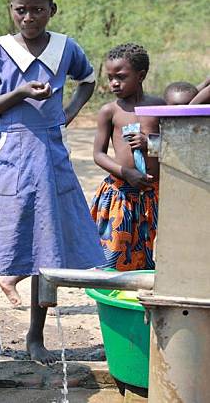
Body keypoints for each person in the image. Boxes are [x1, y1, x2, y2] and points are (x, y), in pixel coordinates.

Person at [0, 0, 105, 364]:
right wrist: (18, 93)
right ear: (11, 10)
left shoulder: (65, 48)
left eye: (37, 10)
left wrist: (68, 112)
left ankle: (35, 337)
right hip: (12, 154)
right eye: (20, 10)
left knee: (46, 250)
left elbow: (88, 79)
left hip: (50, 155)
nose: (28, 17)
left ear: (52, 10)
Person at [90, 43, 165, 271]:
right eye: (110, 77)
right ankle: (110, 300)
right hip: (120, 193)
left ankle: (142, 304)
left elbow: (176, 146)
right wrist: (126, 173)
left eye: (121, 77)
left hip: (153, 195)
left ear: (140, 75)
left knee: (150, 255)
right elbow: (98, 154)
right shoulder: (110, 111)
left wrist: (149, 143)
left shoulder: (159, 108)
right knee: (113, 255)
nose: (114, 83)